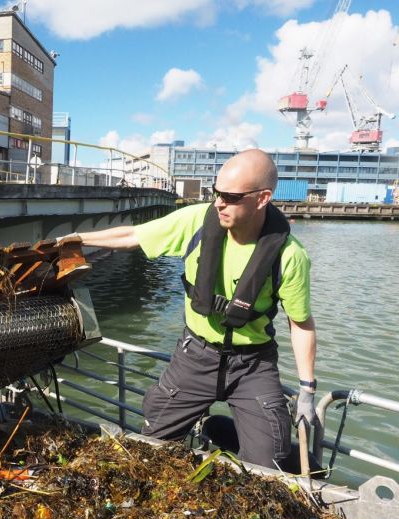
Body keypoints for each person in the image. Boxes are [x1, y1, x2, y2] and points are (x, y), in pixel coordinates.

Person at [66, 149, 317, 470]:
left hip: (254, 364)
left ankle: (222, 433)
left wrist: (308, 389)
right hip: (195, 355)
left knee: (271, 463)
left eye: (230, 196)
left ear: (262, 198)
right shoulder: (197, 221)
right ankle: (206, 429)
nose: (218, 203)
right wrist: (74, 240)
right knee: (151, 443)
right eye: (216, 193)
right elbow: (131, 235)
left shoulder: (289, 255)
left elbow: (301, 324)